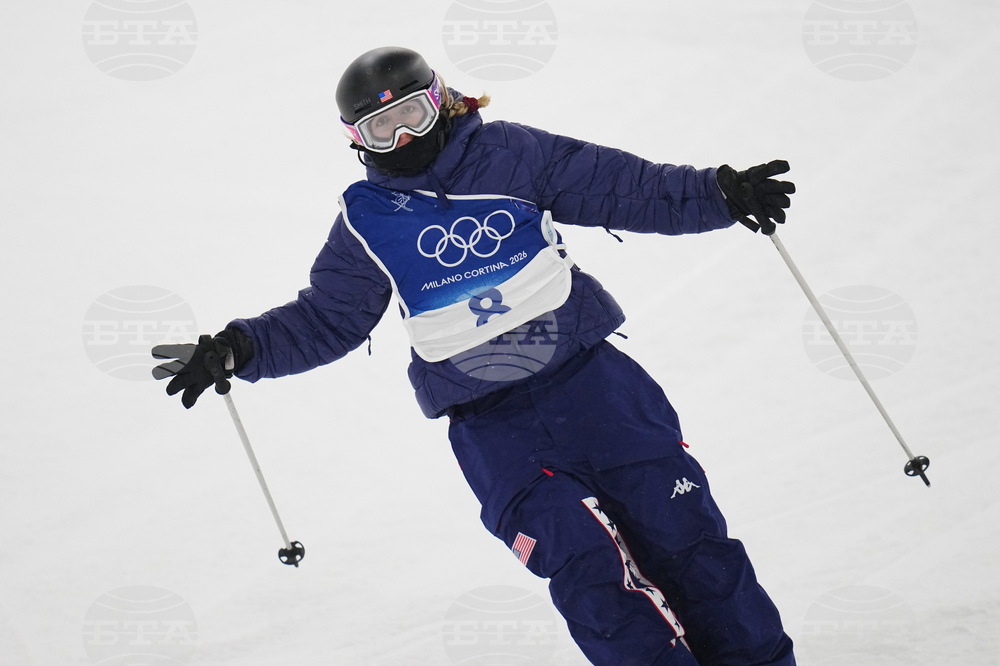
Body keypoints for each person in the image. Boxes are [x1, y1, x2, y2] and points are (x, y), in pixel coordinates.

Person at [154, 46, 797, 666]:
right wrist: (241, 348)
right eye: (381, 128)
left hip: (595, 387)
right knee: (586, 572)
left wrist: (720, 194)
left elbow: (624, 188)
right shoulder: (366, 220)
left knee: (687, 541)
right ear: (356, 139)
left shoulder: (511, 154)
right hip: (495, 429)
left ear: (442, 100)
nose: (403, 138)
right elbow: (330, 316)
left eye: (412, 113)